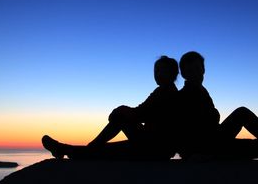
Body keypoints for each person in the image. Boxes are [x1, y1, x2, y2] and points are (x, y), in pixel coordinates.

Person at [42, 55, 179, 160]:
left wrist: (120, 110)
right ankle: (73, 149)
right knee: (105, 144)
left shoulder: (167, 93)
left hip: (153, 148)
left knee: (102, 149)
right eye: (156, 70)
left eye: (162, 70)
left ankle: (67, 149)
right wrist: (122, 112)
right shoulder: (161, 91)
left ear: (173, 74)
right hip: (149, 142)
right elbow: (139, 111)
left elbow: (138, 113)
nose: (157, 73)